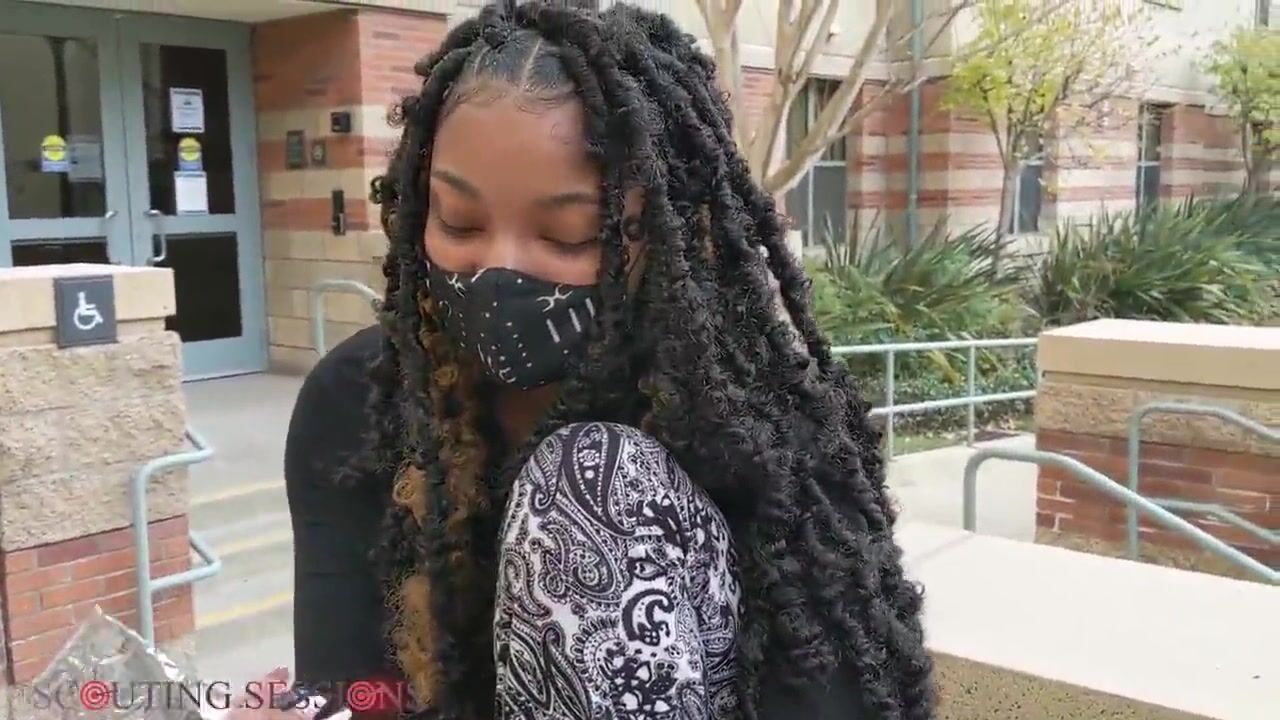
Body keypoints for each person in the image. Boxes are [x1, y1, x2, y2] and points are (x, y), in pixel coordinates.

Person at [282, 2, 934, 719]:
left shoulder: (755, 427)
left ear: (665, 236)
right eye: (459, 223)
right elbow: (346, 688)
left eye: (569, 235)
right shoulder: (358, 399)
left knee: (590, 482)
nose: (499, 269)